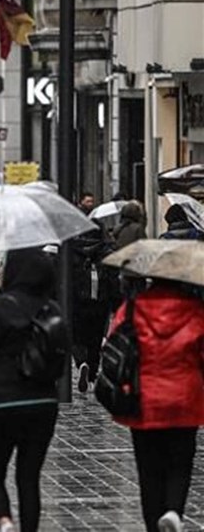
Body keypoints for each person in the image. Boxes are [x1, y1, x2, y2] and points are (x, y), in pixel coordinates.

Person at [0, 249, 60, 532]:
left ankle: (5, 522)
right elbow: (60, 359)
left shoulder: (0, 308)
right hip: (42, 403)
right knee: (29, 477)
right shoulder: (51, 309)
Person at [105, 279, 204, 532]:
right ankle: (173, 511)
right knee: (180, 462)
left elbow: (114, 342)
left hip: (144, 400)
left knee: (148, 469)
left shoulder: (131, 309)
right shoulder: (195, 310)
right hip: (184, 401)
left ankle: (153, 524)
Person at [69, 223, 114, 393]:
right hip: (100, 302)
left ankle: (81, 362)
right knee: (95, 340)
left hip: (77, 302)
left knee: (76, 337)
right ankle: (92, 377)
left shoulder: (73, 250)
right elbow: (113, 279)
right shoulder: (105, 251)